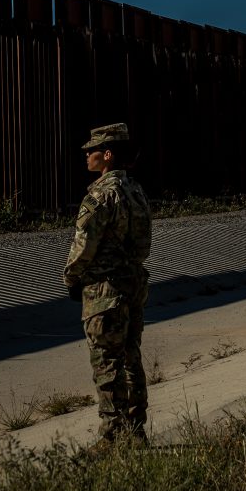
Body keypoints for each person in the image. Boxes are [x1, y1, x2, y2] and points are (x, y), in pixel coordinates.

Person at [63, 122, 152, 450]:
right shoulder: (136, 191)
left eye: (92, 150)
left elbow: (83, 245)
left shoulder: (100, 193)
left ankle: (112, 435)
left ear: (108, 155)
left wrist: (72, 277)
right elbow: (144, 244)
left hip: (104, 291)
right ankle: (136, 430)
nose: (86, 155)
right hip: (132, 285)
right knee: (131, 357)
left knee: (106, 362)